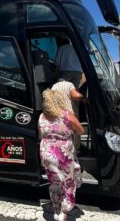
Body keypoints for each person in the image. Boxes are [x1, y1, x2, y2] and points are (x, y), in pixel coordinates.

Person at [38, 89, 84, 221]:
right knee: (67, 181)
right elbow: (80, 130)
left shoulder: (41, 117)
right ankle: (64, 211)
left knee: (54, 182)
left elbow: (41, 132)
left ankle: (56, 208)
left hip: (46, 153)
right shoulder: (66, 114)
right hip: (63, 153)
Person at [51, 73, 88, 151]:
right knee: (75, 133)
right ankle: (76, 150)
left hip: (57, 113)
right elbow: (76, 96)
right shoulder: (69, 84)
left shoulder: (53, 87)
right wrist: (84, 99)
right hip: (69, 114)